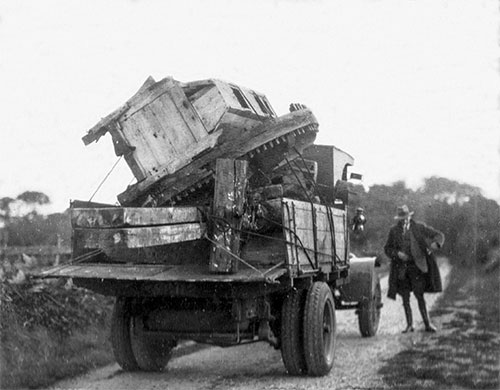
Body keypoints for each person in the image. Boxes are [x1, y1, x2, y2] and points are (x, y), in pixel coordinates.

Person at [384, 205, 444, 333]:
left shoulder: (419, 227)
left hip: (417, 268)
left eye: (406, 217)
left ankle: (427, 324)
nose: (404, 220)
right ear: (399, 218)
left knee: (419, 295)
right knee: (405, 297)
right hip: (401, 269)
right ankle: (409, 325)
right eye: (402, 218)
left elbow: (438, 235)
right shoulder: (394, 231)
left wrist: (436, 244)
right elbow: (387, 249)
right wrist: (397, 254)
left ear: (409, 216)